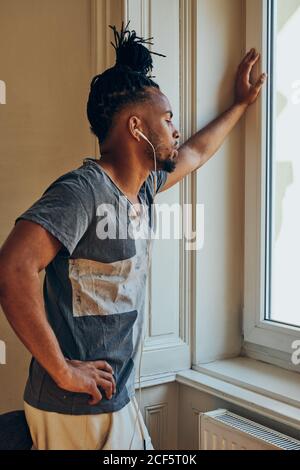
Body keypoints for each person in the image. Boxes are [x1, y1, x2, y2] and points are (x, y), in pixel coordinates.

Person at [0, 21, 266, 450]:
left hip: (115, 399)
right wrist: (65, 371)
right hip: (74, 407)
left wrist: (241, 104)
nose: (175, 129)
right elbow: (13, 268)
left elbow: (195, 152)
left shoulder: (142, 187)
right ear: (137, 126)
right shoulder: (81, 190)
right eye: (167, 118)